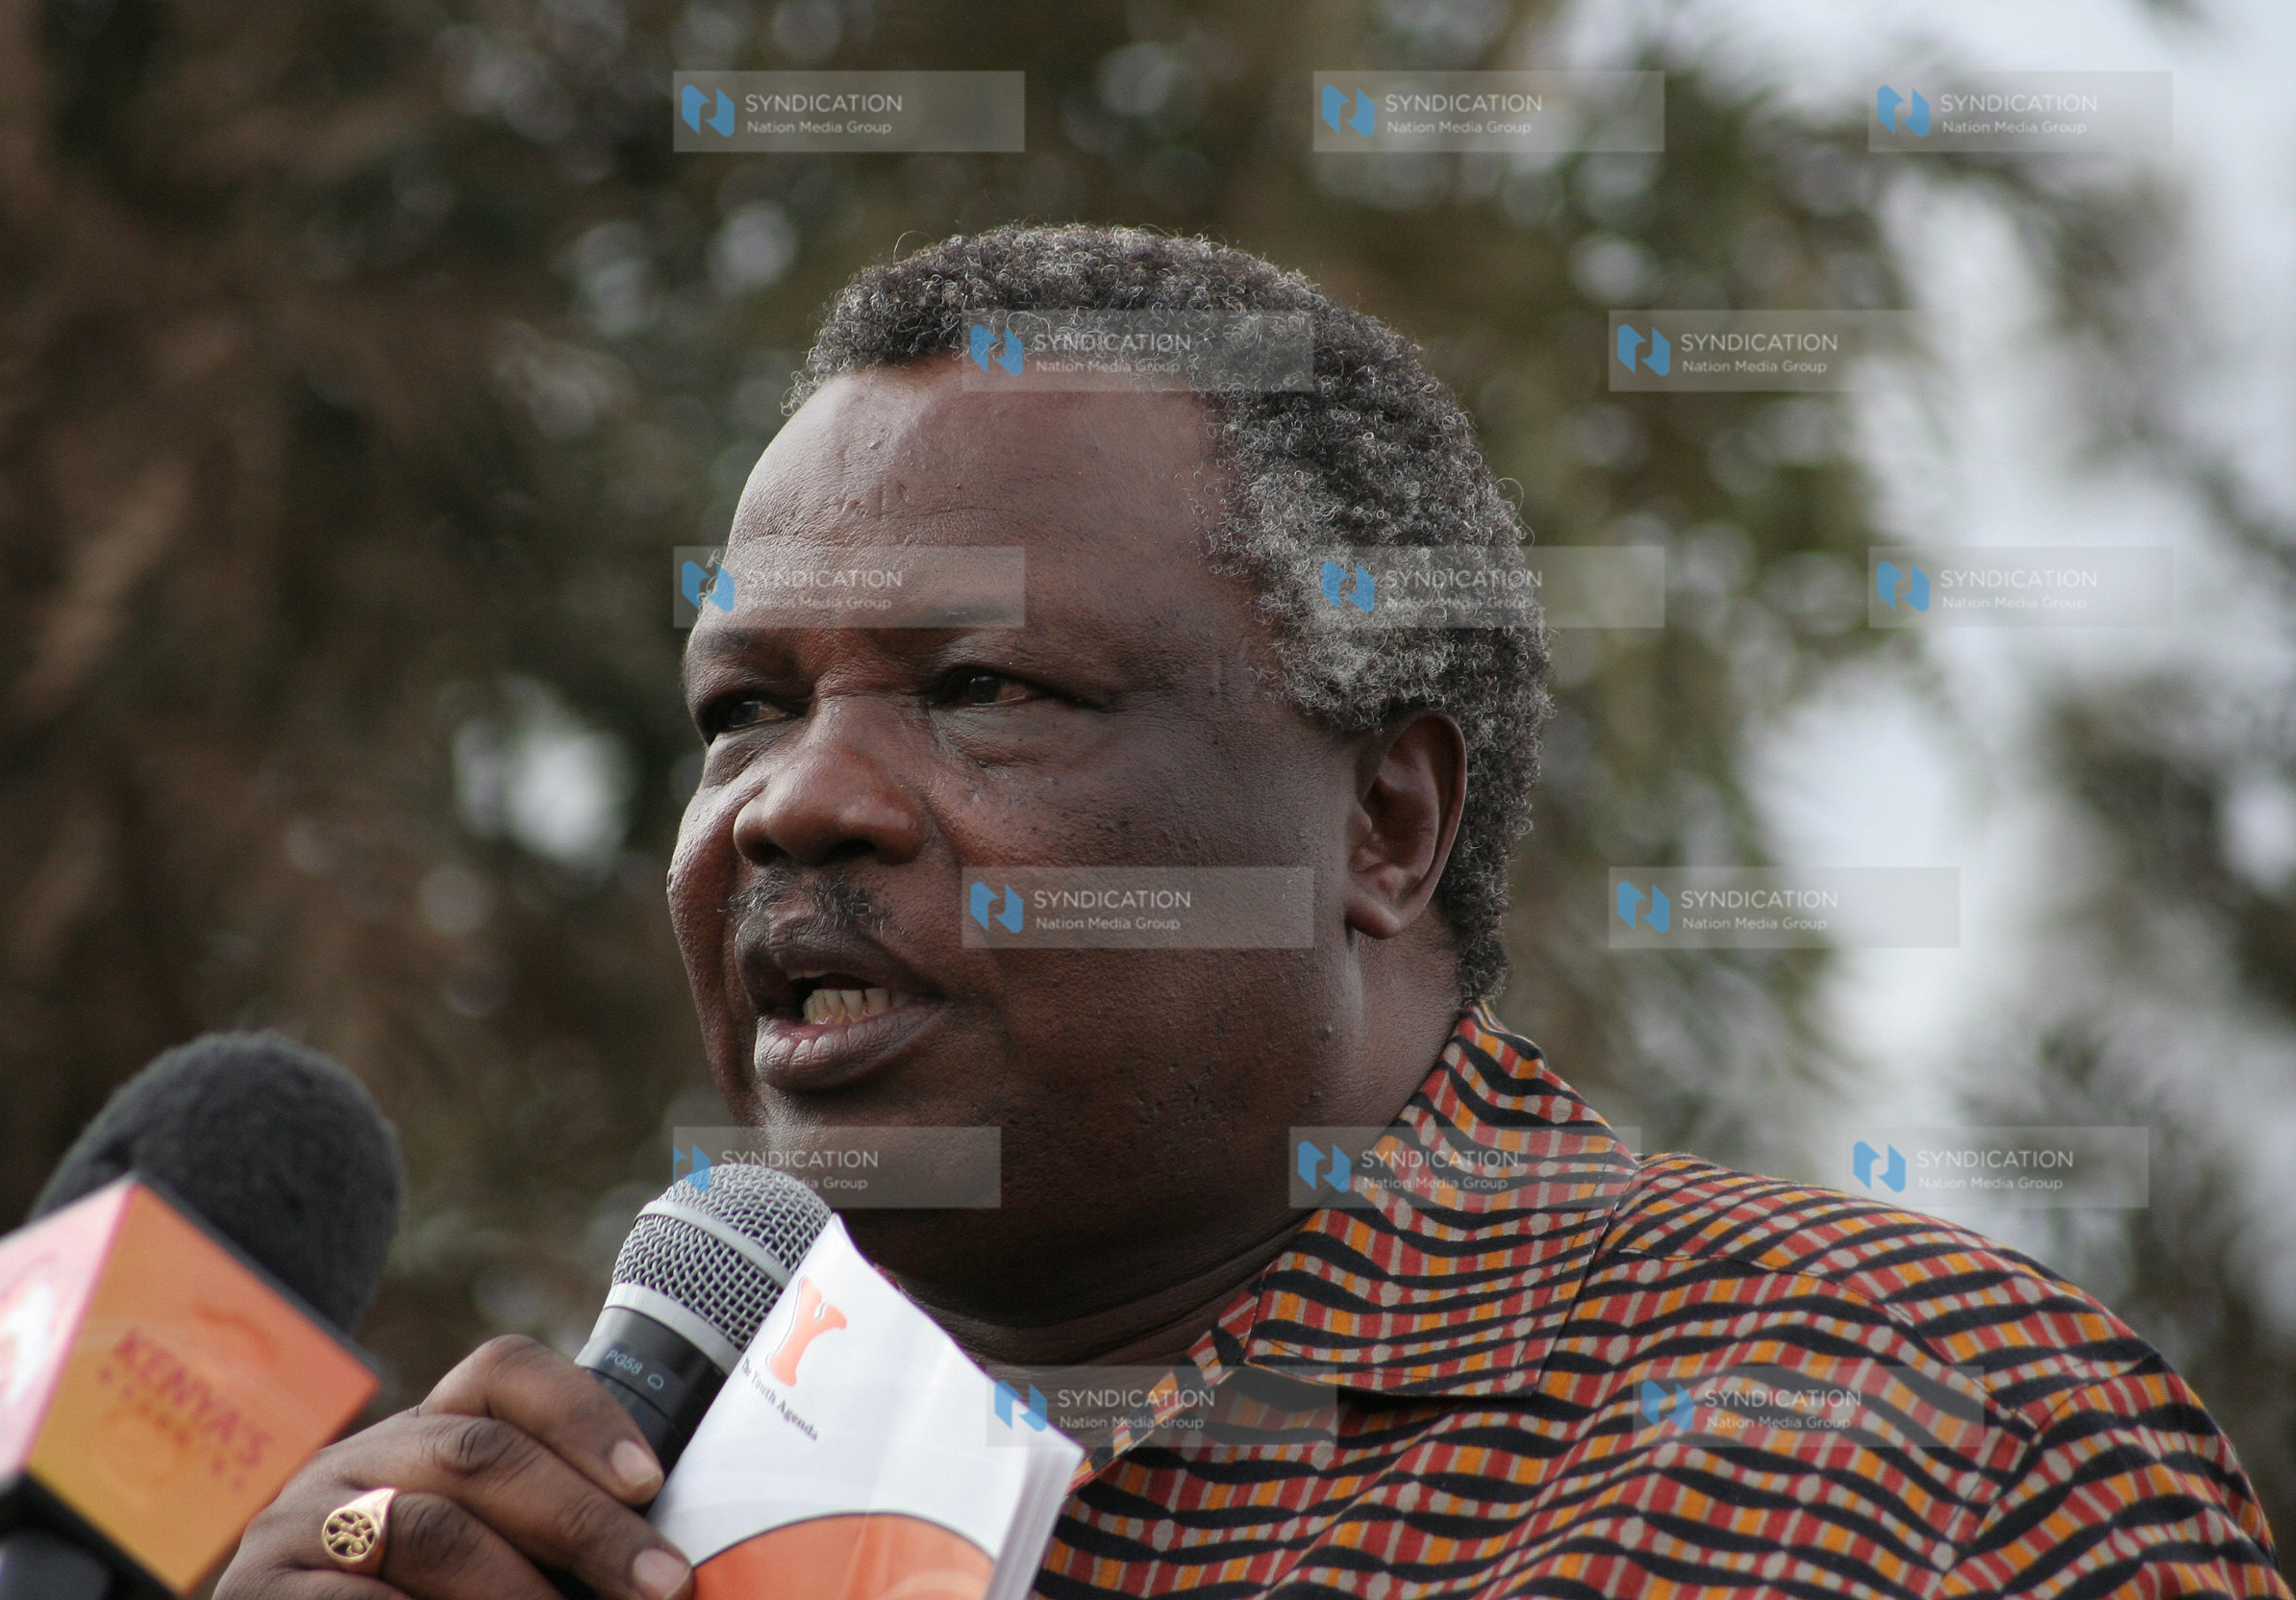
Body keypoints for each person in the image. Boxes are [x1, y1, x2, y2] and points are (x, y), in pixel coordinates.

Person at [219, 226, 2287, 1600]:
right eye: (739, 712)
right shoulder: (577, 1520)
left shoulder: (1904, 1452)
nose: (798, 803)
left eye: (981, 689)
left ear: (1382, 819)